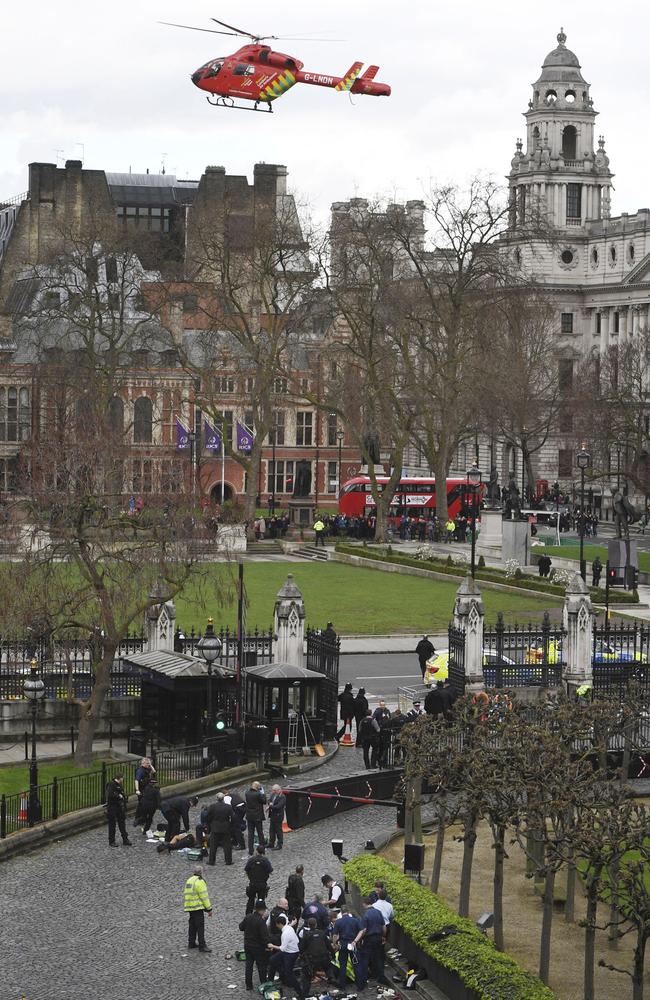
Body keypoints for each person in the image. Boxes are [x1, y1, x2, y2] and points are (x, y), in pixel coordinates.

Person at [352, 896, 390, 990]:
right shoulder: (378, 912)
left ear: (364, 904)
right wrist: (383, 937)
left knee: (364, 960)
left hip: (369, 939)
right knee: (379, 958)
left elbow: (363, 930)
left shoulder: (366, 915)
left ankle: (362, 982)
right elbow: (384, 926)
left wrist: (357, 940)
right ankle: (380, 976)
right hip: (378, 938)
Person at [239, 900, 270, 990]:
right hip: (258, 948)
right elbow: (264, 937)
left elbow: (241, 927)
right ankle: (263, 983)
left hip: (247, 945)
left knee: (249, 966)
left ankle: (249, 985)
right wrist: (268, 946)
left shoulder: (248, 917)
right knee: (261, 966)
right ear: (262, 910)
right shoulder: (261, 921)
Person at [299, 916, 335, 995]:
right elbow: (329, 946)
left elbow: (301, 948)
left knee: (306, 976)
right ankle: (331, 977)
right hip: (324, 958)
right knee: (328, 967)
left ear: (308, 925)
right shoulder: (322, 933)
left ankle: (305, 993)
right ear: (316, 924)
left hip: (312, 960)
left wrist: (301, 956)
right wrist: (333, 956)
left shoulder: (306, 935)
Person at [183, 865, 212, 953]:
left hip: (190, 907)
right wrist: (209, 909)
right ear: (201, 873)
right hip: (197, 907)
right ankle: (202, 946)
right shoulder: (200, 881)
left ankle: (191, 943)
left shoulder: (189, 880)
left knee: (192, 925)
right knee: (200, 926)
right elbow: (204, 896)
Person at [332, 905, 361, 990]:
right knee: (356, 964)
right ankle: (359, 985)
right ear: (348, 912)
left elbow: (334, 935)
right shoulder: (355, 921)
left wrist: (334, 944)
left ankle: (342, 985)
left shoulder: (338, 922)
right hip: (352, 944)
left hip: (343, 944)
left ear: (341, 912)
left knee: (343, 965)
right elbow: (361, 931)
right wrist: (356, 941)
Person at [206, 791, 233, 866]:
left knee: (213, 845)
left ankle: (211, 861)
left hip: (215, 828)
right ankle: (228, 861)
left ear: (217, 798)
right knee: (227, 845)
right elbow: (232, 817)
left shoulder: (212, 806)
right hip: (225, 828)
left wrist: (210, 824)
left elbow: (207, 816)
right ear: (223, 798)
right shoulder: (228, 807)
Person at [244, 845, 273, 914]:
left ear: (256, 851)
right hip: (262, 884)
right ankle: (259, 913)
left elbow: (246, 869)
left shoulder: (251, 860)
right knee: (261, 900)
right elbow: (270, 870)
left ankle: (248, 914)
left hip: (253, 884)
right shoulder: (265, 860)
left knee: (251, 899)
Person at [105, 773, 132, 847]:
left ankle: (125, 839)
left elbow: (121, 793)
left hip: (120, 807)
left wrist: (124, 797)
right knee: (112, 824)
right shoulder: (111, 784)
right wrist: (119, 796)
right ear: (119, 778)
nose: (123, 780)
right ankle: (112, 841)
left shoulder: (119, 785)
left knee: (122, 824)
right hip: (112, 807)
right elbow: (110, 795)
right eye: (122, 778)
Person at [133, 757, 156, 828]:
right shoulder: (140, 771)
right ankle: (138, 819)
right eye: (147, 763)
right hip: (141, 790)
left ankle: (143, 818)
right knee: (141, 804)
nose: (148, 765)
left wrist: (150, 765)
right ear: (143, 763)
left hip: (146, 789)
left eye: (149, 763)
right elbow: (136, 780)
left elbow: (154, 771)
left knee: (144, 804)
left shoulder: (147, 769)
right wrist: (137, 790)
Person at [245, 781, 267, 854]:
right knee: (260, 832)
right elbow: (264, 801)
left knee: (250, 833)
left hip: (249, 816)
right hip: (257, 816)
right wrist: (263, 793)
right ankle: (262, 848)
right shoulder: (258, 794)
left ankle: (250, 850)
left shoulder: (247, 793)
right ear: (258, 787)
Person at [267, 784, 286, 850]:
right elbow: (269, 800)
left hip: (278, 816)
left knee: (278, 831)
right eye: (273, 790)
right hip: (272, 815)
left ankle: (279, 844)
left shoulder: (282, 797)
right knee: (271, 830)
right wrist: (270, 803)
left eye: (275, 790)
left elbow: (278, 806)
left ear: (279, 790)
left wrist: (271, 806)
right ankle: (271, 843)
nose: (273, 792)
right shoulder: (273, 794)